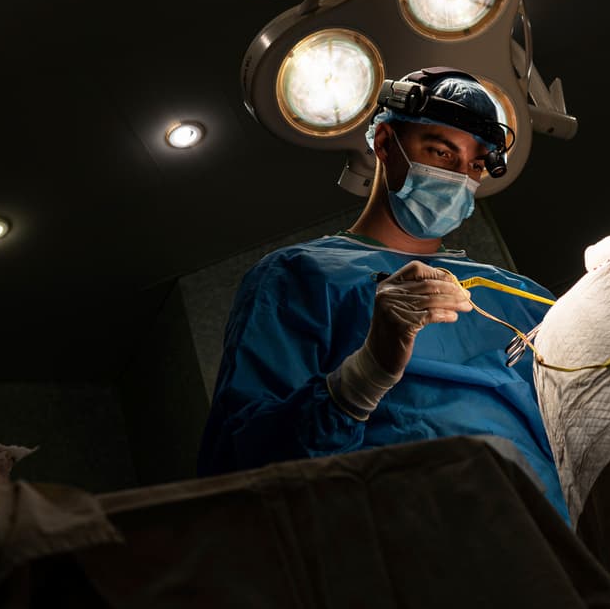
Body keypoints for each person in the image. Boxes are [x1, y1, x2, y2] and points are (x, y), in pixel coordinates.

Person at [197, 67, 568, 518]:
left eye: (474, 163)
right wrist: (363, 376)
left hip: (551, 541)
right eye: (440, 151)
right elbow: (240, 469)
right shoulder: (301, 276)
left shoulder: (519, 294)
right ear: (385, 144)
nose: (459, 175)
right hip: (402, 549)